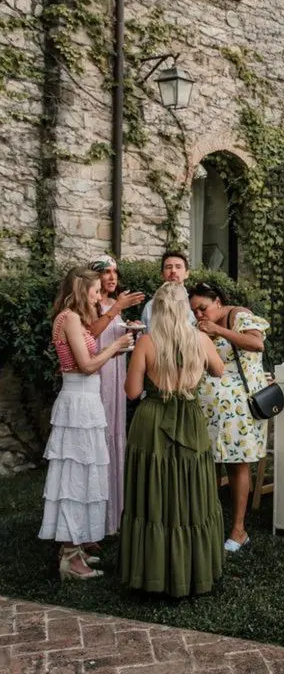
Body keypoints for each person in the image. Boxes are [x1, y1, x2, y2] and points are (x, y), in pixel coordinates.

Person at [119, 282, 225, 597]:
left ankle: (152, 573)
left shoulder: (146, 342)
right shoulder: (201, 340)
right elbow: (219, 370)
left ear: (156, 310)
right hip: (190, 419)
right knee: (191, 491)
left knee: (153, 491)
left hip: (152, 421)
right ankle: (193, 572)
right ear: (185, 309)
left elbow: (132, 392)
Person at [39, 268, 133, 580]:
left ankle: (75, 548)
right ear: (81, 290)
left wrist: (114, 348)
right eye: (94, 290)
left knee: (83, 474)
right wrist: (116, 347)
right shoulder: (69, 318)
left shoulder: (74, 319)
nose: (97, 296)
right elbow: (87, 365)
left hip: (85, 401)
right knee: (75, 478)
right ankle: (69, 558)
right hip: (78, 402)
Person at [188, 281, 270, 553]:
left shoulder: (239, 316)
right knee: (209, 464)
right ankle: (208, 525)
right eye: (194, 311)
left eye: (203, 308)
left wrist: (219, 330)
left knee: (237, 465)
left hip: (240, 409)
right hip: (210, 409)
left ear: (218, 302)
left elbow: (257, 344)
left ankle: (238, 530)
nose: (199, 314)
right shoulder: (201, 327)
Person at [87, 255, 145, 535]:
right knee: (98, 439)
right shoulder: (90, 304)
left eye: (114, 272)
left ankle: (114, 515)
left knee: (114, 437)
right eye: (106, 272)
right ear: (93, 277)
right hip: (96, 377)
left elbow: (114, 340)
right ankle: (95, 518)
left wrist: (130, 330)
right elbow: (90, 334)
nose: (112, 277)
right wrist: (117, 308)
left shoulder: (113, 304)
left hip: (116, 374)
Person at [140, 251, 195, 332]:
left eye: (178, 267)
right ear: (162, 274)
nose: (173, 271)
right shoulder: (150, 307)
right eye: (168, 267)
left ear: (187, 273)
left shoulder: (194, 304)